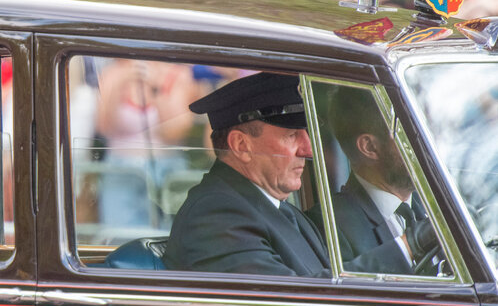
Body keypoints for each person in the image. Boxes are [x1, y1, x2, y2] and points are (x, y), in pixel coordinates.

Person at [162, 72, 329, 277]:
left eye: (306, 134)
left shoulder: (283, 211)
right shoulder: (217, 215)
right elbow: (284, 300)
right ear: (241, 146)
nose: (308, 150)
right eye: (292, 135)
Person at [306, 87, 436, 273]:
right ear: (369, 147)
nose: (428, 145)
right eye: (412, 134)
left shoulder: (439, 206)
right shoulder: (330, 226)